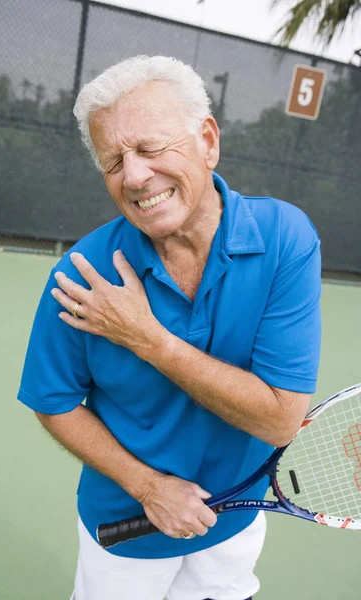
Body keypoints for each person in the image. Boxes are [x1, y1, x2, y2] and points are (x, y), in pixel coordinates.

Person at [17, 55, 322, 600]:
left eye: (151, 148)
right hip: (126, 531)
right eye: (114, 162)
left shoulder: (285, 239)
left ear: (207, 141)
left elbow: (280, 420)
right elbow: (53, 400)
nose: (134, 176)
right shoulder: (81, 274)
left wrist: (147, 339)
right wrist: (148, 487)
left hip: (236, 518)